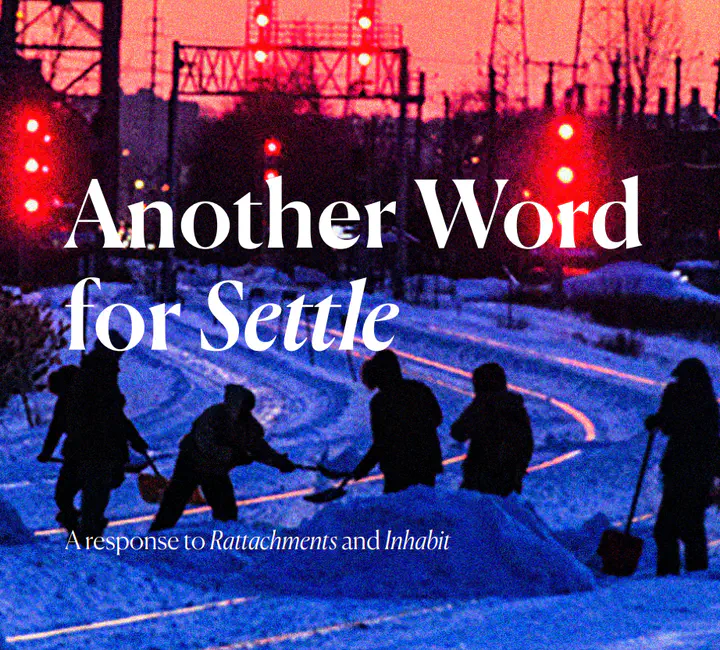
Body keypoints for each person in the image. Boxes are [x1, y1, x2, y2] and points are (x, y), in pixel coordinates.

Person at [150, 384, 296, 531]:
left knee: (226, 510)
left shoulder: (247, 424)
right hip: (190, 464)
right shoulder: (213, 416)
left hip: (214, 471)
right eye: (244, 406)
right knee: (174, 503)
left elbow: (258, 447)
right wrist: (234, 456)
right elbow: (205, 444)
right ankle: (155, 536)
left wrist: (279, 462)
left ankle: (222, 537)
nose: (247, 411)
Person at [46, 330, 148, 539]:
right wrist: (133, 439)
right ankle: (86, 534)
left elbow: (113, 414)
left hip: (86, 446)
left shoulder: (94, 373)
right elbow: (114, 415)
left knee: (73, 493)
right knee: (91, 494)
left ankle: (82, 530)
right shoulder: (99, 375)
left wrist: (133, 439)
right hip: (98, 447)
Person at [646, 358, 720, 576]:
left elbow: (673, 425)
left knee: (671, 528)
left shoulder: (692, 402)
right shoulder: (706, 403)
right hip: (694, 471)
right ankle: (690, 572)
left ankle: (673, 574)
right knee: (688, 526)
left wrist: (661, 416)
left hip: (686, 471)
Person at [351, 350, 443, 493]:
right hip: (427, 460)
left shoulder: (380, 402)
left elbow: (381, 442)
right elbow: (437, 418)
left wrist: (362, 469)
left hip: (398, 466)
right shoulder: (420, 390)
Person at [450, 363, 534, 497]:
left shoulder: (483, 405)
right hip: (509, 480)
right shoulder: (516, 408)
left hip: (480, 478)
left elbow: (458, 432)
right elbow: (527, 444)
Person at [37, 364, 81, 531]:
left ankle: (75, 527)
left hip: (77, 454)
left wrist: (46, 453)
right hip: (101, 450)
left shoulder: (66, 402)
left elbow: (55, 430)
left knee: (63, 496)